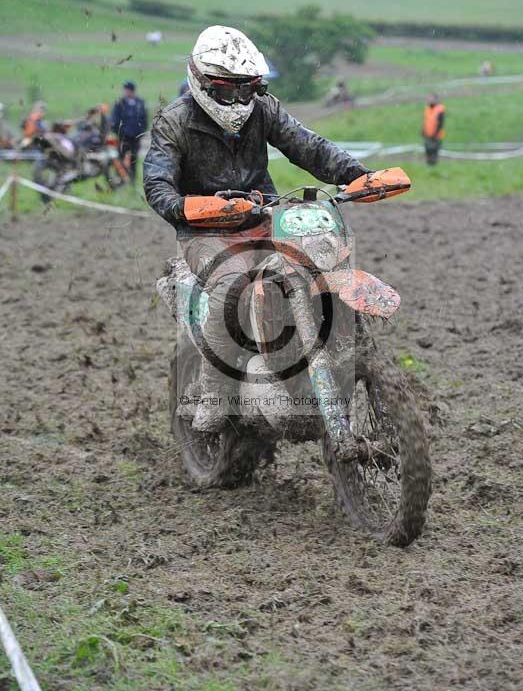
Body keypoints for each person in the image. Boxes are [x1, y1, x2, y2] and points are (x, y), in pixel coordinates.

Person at [144, 25, 373, 433]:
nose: (239, 99)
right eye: (228, 89)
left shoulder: (264, 109)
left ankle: (347, 353)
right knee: (232, 284)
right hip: (206, 230)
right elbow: (157, 182)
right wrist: (186, 206)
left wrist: (357, 175)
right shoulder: (175, 121)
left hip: (266, 213)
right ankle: (216, 391)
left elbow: (308, 146)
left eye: (247, 88)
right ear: (201, 81)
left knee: (320, 262)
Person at [111, 81, 147, 184]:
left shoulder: (140, 102)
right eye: (125, 89)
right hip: (123, 137)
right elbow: (115, 118)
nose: (126, 91)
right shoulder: (120, 102)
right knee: (120, 158)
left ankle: (132, 180)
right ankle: (120, 179)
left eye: (128, 89)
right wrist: (118, 132)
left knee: (134, 159)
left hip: (135, 137)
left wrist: (141, 132)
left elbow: (143, 119)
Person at [422, 94, 446, 166]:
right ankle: (429, 165)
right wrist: (423, 130)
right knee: (428, 150)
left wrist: (435, 134)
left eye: (432, 99)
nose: (430, 100)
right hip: (427, 134)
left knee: (434, 150)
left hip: (436, 135)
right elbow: (426, 121)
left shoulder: (440, 109)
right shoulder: (427, 109)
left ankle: (434, 165)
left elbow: (440, 123)